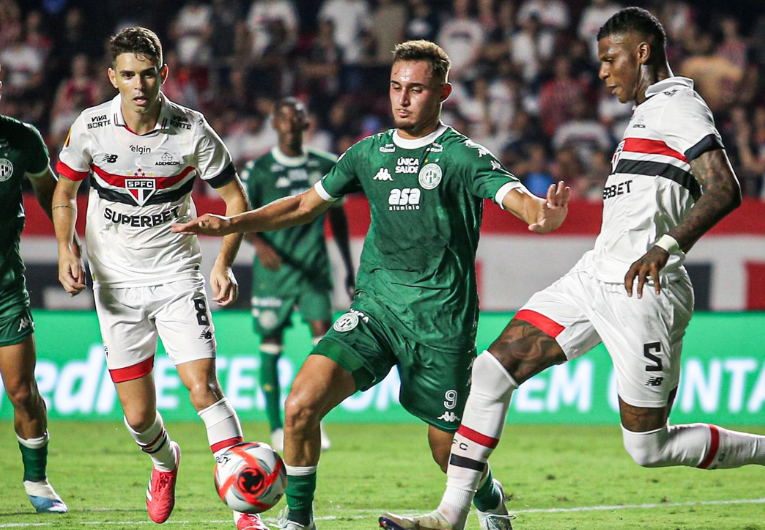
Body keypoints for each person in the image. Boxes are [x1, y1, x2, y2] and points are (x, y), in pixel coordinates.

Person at [381, 8, 765, 530]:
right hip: (594, 278)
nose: (603, 72)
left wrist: (666, 246)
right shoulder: (645, 112)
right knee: (492, 372)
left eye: (610, 60)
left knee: (648, 447)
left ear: (643, 53)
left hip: (644, 291)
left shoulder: (679, 106)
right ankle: (450, 514)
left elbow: (725, 188)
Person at [173, 40, 569, 530]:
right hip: (376, 311)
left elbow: (513, 195)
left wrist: (539, 213)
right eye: (396, 87)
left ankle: (490, 502)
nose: (403, 99)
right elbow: (302, 205)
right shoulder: (368, 153)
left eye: (417, 89)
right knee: (300, 407)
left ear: (443, 92)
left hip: (439, 322)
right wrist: (232, 224)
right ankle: (299, 522)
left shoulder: (462, 156)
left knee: (449, 454)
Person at [51, 27, 268, 530]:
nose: (139, 84)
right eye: (128, 75)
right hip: (116, 285)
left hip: (176, 276)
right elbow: (64, 193)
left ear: (163, 74)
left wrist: (223, 263)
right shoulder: (91, 126)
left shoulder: (191, 130)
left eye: (148, 74)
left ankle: (244, 506)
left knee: (203, 387)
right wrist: (67, 248)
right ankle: (165, 463)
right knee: (138, 416)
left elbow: (236, 201)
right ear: (112, 78)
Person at [241, 97, 355, 452]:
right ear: (273, 123)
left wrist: (349, 268)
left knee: (324, 346)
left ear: (307, 124)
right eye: (284, 118)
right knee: (270, 345)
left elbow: (337, 217)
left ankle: (312, 421)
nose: (291, 124)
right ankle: (277, 427)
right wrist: (259, 245)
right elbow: (242, 216)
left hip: (313, 269)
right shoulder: (257, 170)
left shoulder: (326, 165)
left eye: (297, 118)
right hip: (274, 272)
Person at [0, 70, 69, 515]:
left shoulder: (22, 139)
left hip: (4, 287)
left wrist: (69, 245)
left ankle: (38, 480)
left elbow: (50, 192)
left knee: (22, 392)